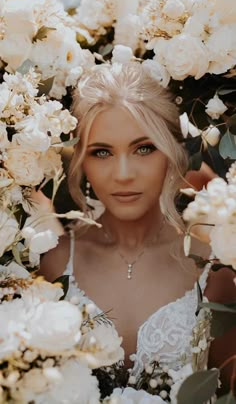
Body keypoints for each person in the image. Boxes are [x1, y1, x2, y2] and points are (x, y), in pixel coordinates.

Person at [40, 62, 235, 393]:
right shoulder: (52, 262)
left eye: (144, 148)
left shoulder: (215, 272)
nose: (124, 174)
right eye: (102, 152)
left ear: (173, 152)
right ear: (82, 161)